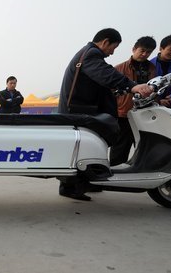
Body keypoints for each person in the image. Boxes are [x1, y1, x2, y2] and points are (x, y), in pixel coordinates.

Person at [58, 28, 154, 201]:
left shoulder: (87, 53)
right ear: (105, 42)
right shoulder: (91, 54)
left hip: (80, 109)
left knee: (82, 149)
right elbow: (106, 74)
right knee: (82, 149)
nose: (112, 52)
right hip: (79, 111)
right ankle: (70, 187)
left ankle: (76, 185)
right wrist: (132, 86)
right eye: (113, 48)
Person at [110, 36, 157, 166]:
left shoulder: (152, 68)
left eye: (148, 52)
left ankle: (143, 173)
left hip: (146, 113)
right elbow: (110, 92)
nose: (144, 54)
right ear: (134, 49)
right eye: (142, 50)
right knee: (120, 148)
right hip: (124, 114)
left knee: (145, 146)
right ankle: (116, 174)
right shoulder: (119, 68)